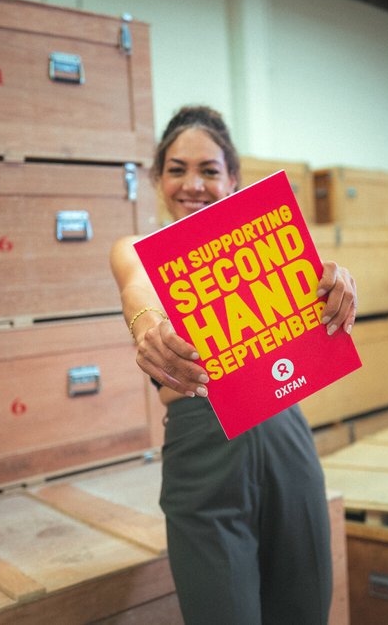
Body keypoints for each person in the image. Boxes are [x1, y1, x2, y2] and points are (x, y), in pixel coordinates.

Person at [109, 105, 357, 624]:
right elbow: (139, 288)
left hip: (286, 431)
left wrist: (338, 282)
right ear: (157, 178)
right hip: (203, 449)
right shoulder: (137, 249)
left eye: (209, 170)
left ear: (234, 179)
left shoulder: (265, 247)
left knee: (305, 610)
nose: (192, 184)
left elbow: (321, 286)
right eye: (176, 169)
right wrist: (148, 326)